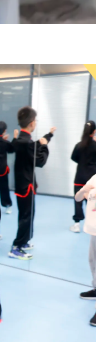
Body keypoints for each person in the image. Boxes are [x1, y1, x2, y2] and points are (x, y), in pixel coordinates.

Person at [9, 107, 56, 260]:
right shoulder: (26, 142)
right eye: (35, 120)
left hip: (23, 184)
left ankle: (24, 241)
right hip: (26, 185)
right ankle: (16, 246)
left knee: (27, 214)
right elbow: (40, 161)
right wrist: (45, 146)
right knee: (26, 216)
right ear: (31, 123)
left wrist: (48, 136)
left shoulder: (21, 140)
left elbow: (35, 146)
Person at [74, 174, 96, 324]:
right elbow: (78, 198)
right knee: (92, 262)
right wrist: (84, 191)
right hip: (93, 231)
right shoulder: (94, 178)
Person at [70, 121, 96, 232]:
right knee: (92, 201)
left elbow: (73, 157)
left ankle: (76, 224)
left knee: (78, 201)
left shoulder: (79, 145)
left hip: (80, 177)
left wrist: (82, 162)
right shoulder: (95, 145)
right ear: (94, 131)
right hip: (92, 178)